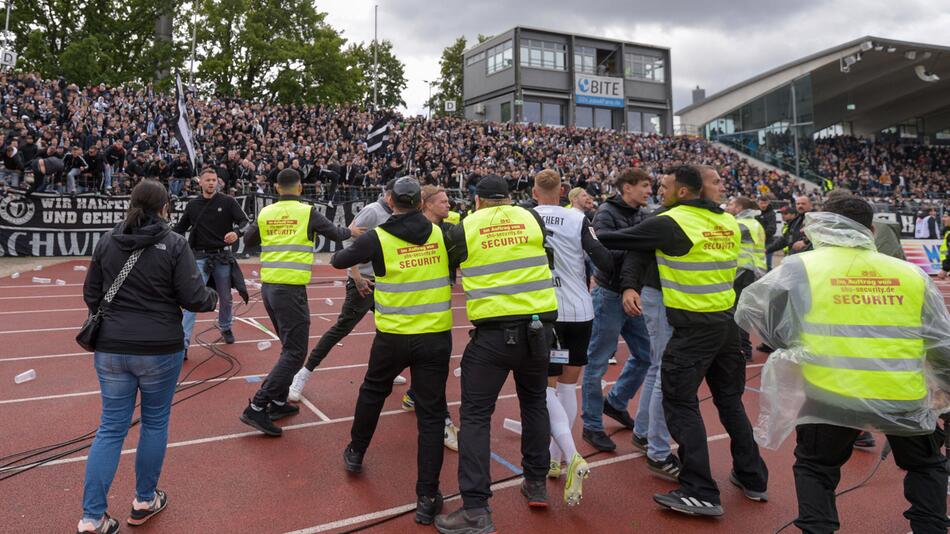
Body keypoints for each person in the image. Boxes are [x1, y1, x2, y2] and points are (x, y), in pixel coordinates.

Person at [735, 197, 950, 534]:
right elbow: (941, 343)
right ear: (873, 230)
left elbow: (753, 312)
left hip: (829, 394)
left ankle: (818, 528)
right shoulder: (910, 274)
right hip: (902, 394)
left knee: (816, 468)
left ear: (823, 224)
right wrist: (946, 397)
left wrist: (794, 344)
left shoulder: (801, 267)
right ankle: (931, 529)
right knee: (926, 465)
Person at [599, 165, 768, 517]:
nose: (660, 190)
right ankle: (752, 477)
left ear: (683, 192)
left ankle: (701, 490)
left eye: (665, 186)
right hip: (726, 325)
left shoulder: (673, 222)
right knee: (730, 404)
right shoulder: (727, 223)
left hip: (692, 330)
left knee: (680, 402)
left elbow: (610, 239)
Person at [77, 180, 218, 533]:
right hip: (159, 348)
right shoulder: (173, 244)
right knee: (154, 423)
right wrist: (213, 297)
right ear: (164, 207)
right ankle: (144, 499)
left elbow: (91, 293)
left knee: (110, 428)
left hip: (111, 347)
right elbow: (194, 298)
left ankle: (92, 518)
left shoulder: (108, 241)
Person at [435, 175, 558, 533]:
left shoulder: (467, 227)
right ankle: (535, 482)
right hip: (539, 330)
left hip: (493, 336)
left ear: (477, 201)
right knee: (535, 402)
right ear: (508, 197)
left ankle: (476, 508)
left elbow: (449, 263)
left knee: (474, 416)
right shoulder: (531, 216)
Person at [331, 177, 453, 525]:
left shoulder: (378, 236)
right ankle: (427, 497)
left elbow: (339, 260)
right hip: (433, 336)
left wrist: (361, 241)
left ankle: (356, 452)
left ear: (391, 202)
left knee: (372, 392)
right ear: (419, 203)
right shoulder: (440, 233)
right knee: (431, 415)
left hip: (393, 336)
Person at [238, 168, 360, 436]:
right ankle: (257, 407)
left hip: (269, 287)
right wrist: (350, 229)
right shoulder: (307, 213)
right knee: (295, 353)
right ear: (301, 188)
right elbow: (338, 235)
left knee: (288, 347)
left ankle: (280, 402)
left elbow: (248, 240)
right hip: (290, 290)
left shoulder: (266, 212)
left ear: (277, 188)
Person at [532, 169, 613, 506]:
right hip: (580, 312)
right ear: (562, 190)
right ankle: (556, 459)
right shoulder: (577, 217)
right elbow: (603, 257)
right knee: (568, 386)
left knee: (544, 387)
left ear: (535, 191)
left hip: (545, 312)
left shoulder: (527, 217)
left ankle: (564, 454)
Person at [288, 179, 404, 402]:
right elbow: (350, 241)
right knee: (341, 328)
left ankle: (387, 370)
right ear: (389, 195)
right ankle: (302, 374)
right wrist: (357, 276)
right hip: (364, 282)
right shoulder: (372, 212)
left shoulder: (399, 214)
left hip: (386, 282)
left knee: (391, 329)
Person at [581, 168, 653, 452]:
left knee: (646, 355)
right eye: (645, 185)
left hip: (632, 292)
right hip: (609, 294)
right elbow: (605, 254)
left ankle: (616, 402)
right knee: (597, 361)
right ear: (627, 187)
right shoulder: (605, 213)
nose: (649, 191)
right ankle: (592, 425)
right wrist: (637, 249)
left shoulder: (643, 215)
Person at [400, 184, 461, 451]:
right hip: (412, 309)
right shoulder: (410, 230)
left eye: (448, 201)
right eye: (443, 202)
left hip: (436, 309)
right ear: (425, 204)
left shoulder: (447, 230)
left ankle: (414, 395)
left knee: (432, 366)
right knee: (433, 368)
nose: (448, 205)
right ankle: (443, 421)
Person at [175, 167, 251, 355]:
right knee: (192, 300)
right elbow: (179, 229)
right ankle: (183, 344)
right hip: (199, 257)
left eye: (214, 180)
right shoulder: (192, 206)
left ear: (218, 182)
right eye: (207, 180)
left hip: (222, 257)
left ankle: (225, 326)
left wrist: (237, 233)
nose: (211, 183)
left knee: (225, 297)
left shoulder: (228, 201)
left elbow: (245, 222)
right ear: (200, 182)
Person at [726, 196, 767, 360]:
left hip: (743, 272)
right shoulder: (754, 223)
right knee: (741, 310)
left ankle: (743, 348)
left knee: (737, 311)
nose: (728, 207)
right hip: (750, 271)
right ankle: (743, 347)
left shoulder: (741, 225)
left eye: (731, 204)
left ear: (739, 207)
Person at [755, 196, 777, 270]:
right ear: (758, 203)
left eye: (765, 203)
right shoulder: (753, 213)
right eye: (761, 203)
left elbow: (772, 229)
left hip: (767, 243)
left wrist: (761, 235)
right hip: (755, 243)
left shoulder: (771, 213)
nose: (763, 205)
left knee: (767, 265)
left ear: (768, 203)